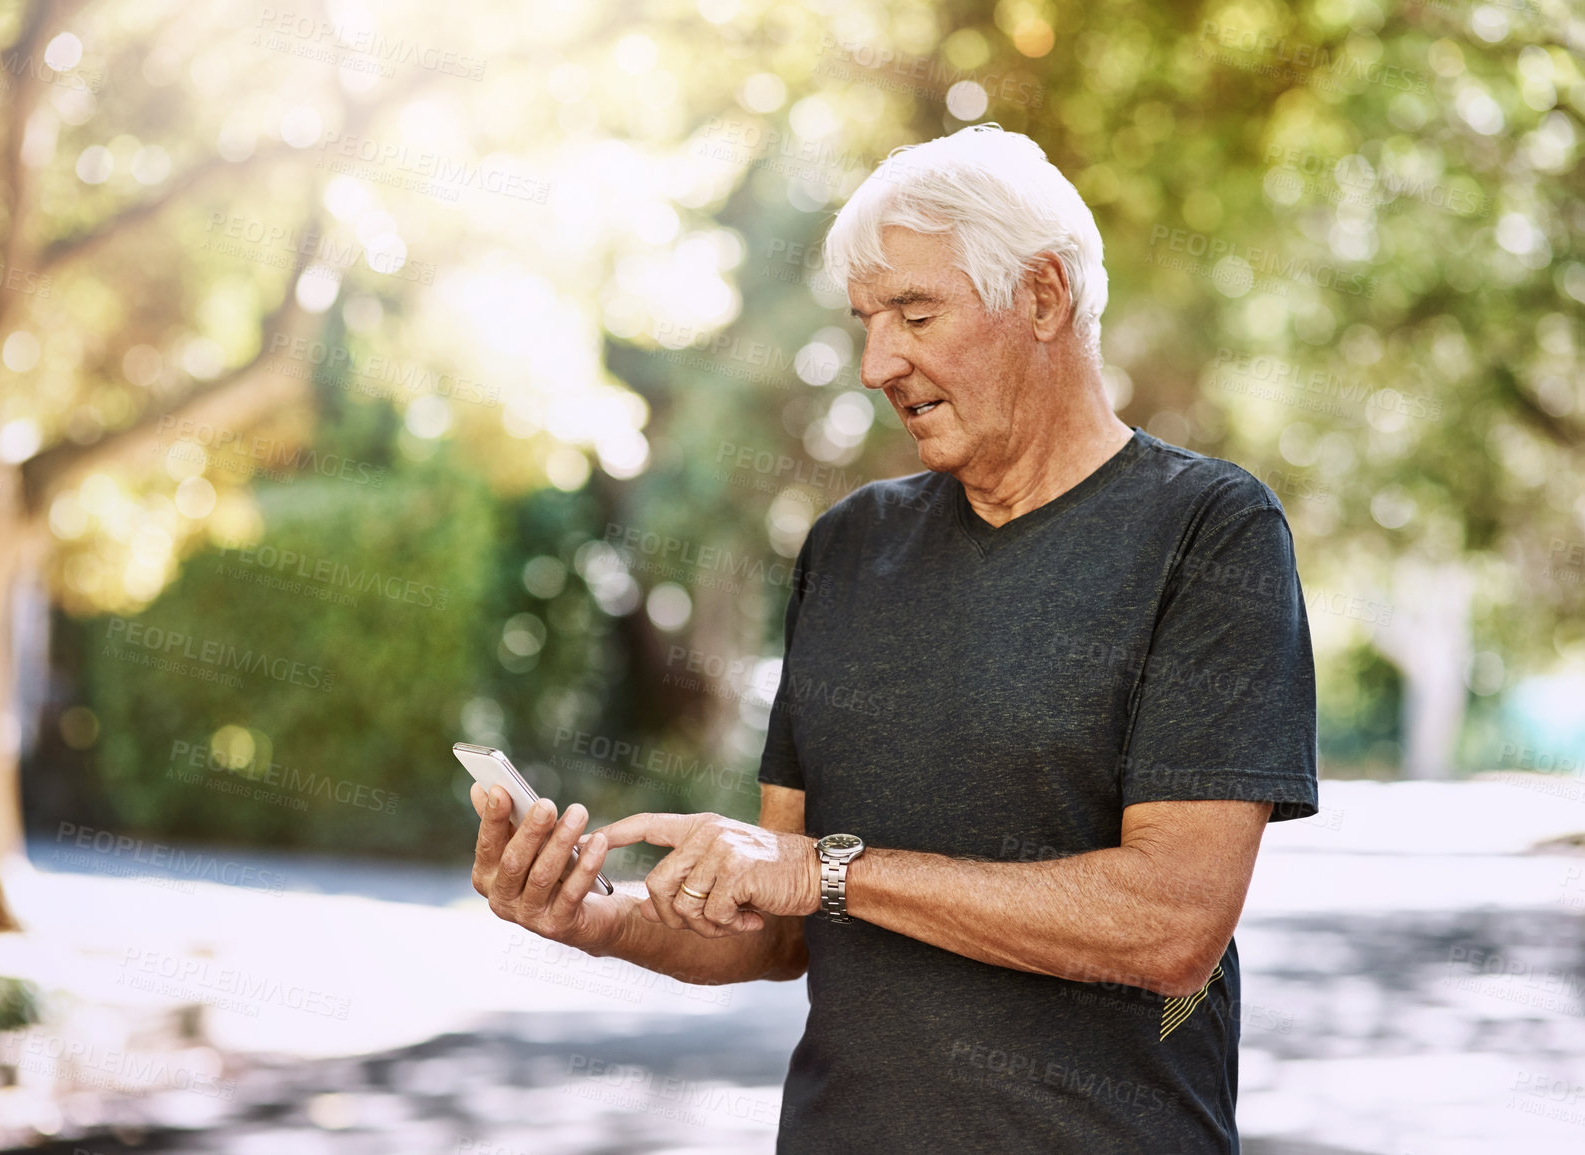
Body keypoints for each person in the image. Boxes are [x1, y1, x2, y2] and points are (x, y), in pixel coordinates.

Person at [468, 124, 1318, 1153]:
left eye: (916, 313)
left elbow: (1173, 924)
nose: (877, 363)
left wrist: (829, 870)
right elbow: (780, 924)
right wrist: (594, 920)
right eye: (868, 320)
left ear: (1044, 297)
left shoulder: (1210, 533)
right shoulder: (850, 546)